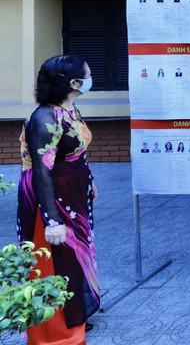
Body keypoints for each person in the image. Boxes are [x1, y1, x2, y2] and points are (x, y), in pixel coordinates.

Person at [17, 55, 100, 343]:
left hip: (72, 193)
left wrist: (89, 181)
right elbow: (41, 171)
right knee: (54, 259)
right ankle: (55, 332)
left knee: (74, 257)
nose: (91, 78)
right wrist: (51, 220)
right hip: (50, 198)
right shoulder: (44, 118)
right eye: (87, 75)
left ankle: (75, 316)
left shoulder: (69, 108)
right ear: (74, 83)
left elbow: (75, 151)